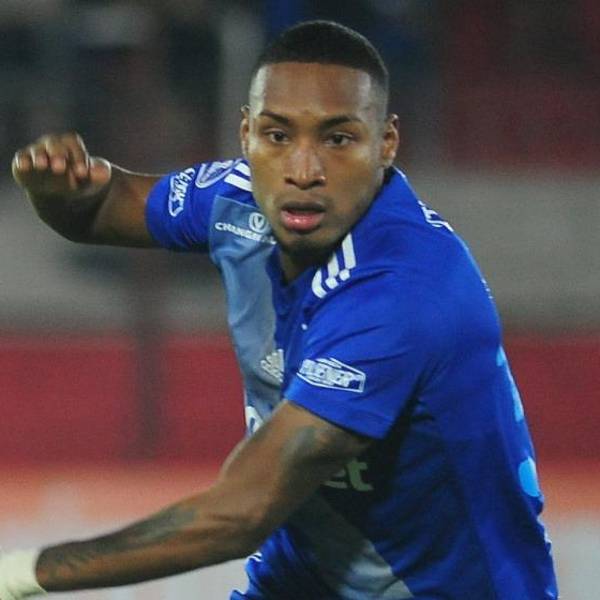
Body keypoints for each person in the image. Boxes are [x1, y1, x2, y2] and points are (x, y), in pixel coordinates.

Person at [2, 20, 558, 600]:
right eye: (277, 135)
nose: (303, 170)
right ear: (246, 134)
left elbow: (240, 514)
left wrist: (17, 574)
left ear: (386, 143)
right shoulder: (236, 198)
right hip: (303, 581)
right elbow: (104, 207)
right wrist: (58, 194)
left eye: (337, 140)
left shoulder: (404, 290)